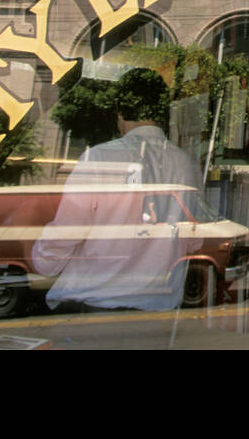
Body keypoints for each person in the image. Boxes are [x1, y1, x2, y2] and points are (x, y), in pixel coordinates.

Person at [32, 68, 204, 312]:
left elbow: (66, 232)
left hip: (93, 310)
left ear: (119, 110)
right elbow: (194, 241)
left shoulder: (100, 157)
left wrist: (41, 262)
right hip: (158, 313)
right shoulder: (187, 165)